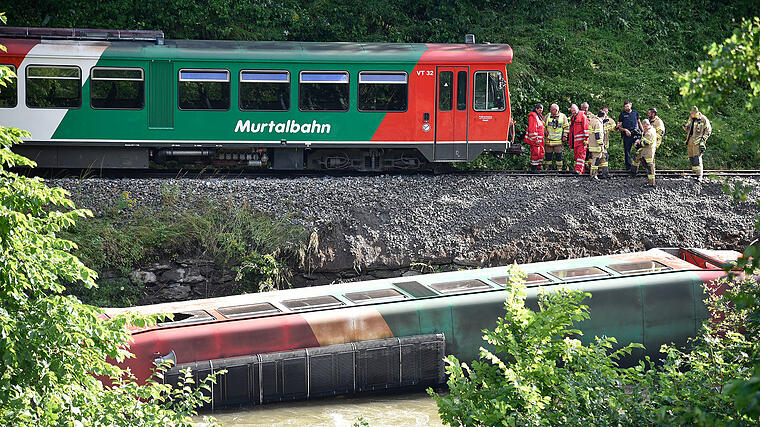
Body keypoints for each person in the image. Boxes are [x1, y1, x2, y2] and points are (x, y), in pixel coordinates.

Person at [682, 106, 712, 182]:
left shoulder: (703, 119)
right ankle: (695, 174)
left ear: (696, 112)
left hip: (698, 142)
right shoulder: (691, 118)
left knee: (697, 158)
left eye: (692, 113)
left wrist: (703, 140)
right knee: (691, 158)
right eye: (690, 113)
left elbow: (708, 131)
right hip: (690, 141)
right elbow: (689, 127)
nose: (691, 115)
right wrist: (686, 128)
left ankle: (699, 176)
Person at [617, 101, 643, 171]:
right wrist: (625, 130)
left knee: (640, 149)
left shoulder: (635, 113)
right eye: (625, 107)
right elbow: (619, 127)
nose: (626, 108)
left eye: (628, 106)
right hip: (627, 135)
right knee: (627, 151)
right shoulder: (622, 114)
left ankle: (640, 166)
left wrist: (643, 132)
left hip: (636, 134)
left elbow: (639, 122)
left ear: (631, 105)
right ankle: (628, 168)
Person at [631, 119, 657, 186]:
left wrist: (639, 143)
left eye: (645, 127)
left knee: (649, 167)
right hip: (644, 150)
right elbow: (643, 138)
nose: (644, 128)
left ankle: (651, 183)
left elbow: (646, 143)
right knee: (636, 157)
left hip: (648, 152)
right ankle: (633, 173)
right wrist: (638, 140)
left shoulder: (650, 132)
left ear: (648, 125)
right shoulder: (648, 130)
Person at [543, 104, 569, 170]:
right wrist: (544, 131)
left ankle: (559, 169)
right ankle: (547, 169)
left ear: (556, 110)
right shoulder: (547, 116)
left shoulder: (563, 116)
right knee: (548, 156)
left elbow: (566, 127)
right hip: (549, 141)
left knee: (559, 156)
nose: (550, 111)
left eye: (552, 110)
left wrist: (565, 136)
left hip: (558, 141)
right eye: (550, 109)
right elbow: (542, 125)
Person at [523, 103, 546, 172]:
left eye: (541, 110)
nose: (541, 112)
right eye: (539, 110)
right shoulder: (533, 116)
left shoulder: (538, 116)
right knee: (535, 153)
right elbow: (532, 129)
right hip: (536, 139)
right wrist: (535, 139)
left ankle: (538, 167)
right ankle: (534, 168)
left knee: (541, 153)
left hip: (540, 139)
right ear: (536, 109)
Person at [569, 103, 589, 174]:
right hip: (576, 142)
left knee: (581, 156)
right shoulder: (574, 117)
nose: (573, 111)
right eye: (572, 110)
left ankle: (578, 170)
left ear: (577, 109)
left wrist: (586, 139)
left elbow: (586, 128)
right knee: (577, 156)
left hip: (582, 141)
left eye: (574, 110)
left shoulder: (582, 116)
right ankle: (581, 171)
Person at [587, 110, 606, 180]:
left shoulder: (592, 120)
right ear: (603, 116)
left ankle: (593, 174)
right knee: (596, 160)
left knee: (594, 159)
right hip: (597, 145)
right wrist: (601, 144)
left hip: (592, 144)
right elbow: (598, 134)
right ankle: (593, 175)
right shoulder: (598, 123)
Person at [599, 107, 616, 178]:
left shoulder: (610, 120)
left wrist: (617, 127)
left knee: (604, 157)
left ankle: (603, 173)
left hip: (605, 143)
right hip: (597, 142)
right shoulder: (597, 119)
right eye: (604, 111)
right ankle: (598, 172)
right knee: (597, 157)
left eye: (607, 111)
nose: (606, 113)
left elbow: (614, 129)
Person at [580, 103, 593, 174]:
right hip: (581, 137)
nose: (586, 109)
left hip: (590, 137)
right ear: (581, 108)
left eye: (587, 107)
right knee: (582, 154)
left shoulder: (591, 115)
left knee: (589, 153)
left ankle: (589, 167)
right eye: (584, 107)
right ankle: (582, 168)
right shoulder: (578, 114)